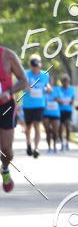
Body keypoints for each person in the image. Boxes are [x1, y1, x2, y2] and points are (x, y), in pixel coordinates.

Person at [0, 45, 27, 192]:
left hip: (5, 105)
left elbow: (23, 80)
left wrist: (9, 92)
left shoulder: (8, 56)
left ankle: (4, 169)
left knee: (6, 149)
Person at [22, 56, 50, 158]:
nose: (36, 69)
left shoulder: (45, 75)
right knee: (28, 127)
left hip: (39, 104)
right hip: (28, 105)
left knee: (37, 124)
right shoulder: (26, 74)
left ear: (40, 65)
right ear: (31, 66)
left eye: (37, 66)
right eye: (34, 66)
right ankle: (28, 144)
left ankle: (36, 148)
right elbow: (22, 86)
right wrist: (27, 88)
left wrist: (48, 89)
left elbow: (47, 85)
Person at [43, 75, 61, 153]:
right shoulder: (43, 90)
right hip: (46, 113)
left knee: (55, 131)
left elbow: (62, 101)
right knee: (47, 131)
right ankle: (49, 147)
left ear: (53, 81)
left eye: (51, 80)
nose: (50, 82)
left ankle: (54, 147)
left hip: (55, 114)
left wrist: (57, 99)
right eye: (48, 80)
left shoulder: (57, 89)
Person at [58, 74, 75, 149]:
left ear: (69, 82)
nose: (65, 83)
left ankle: (67, 142)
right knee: (60, 127)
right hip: (59, 110)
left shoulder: (71, 89)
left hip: (68, 110)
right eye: (64, 81)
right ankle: (62, 142)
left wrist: (72, 102)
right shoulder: (59, 89)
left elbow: (73, 98)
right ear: (61, 82)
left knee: (68, 126)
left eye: (67, 81)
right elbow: (55, 98)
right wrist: (59, 101)